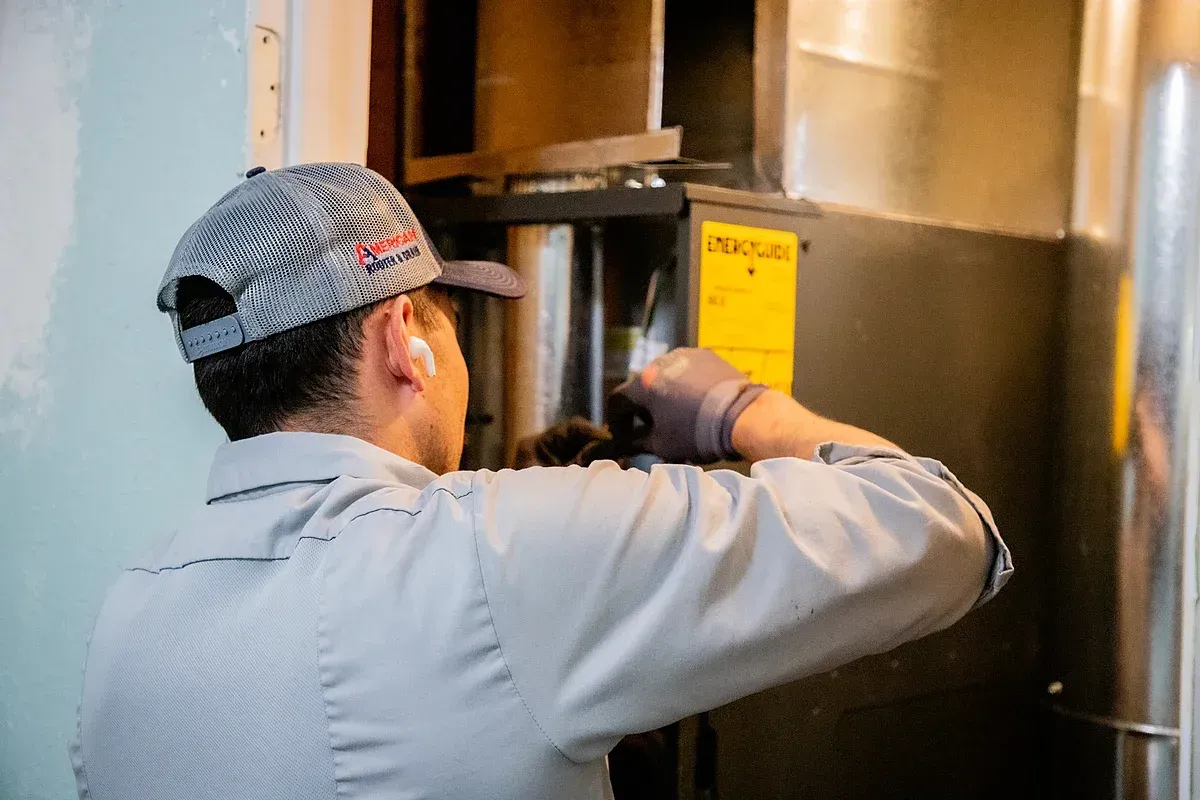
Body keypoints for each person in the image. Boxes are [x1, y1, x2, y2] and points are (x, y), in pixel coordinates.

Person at [71, 163, 1011, 800]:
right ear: (402, 339)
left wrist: (521, 495)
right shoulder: (500, 556)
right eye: (447, 322)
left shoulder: (131, 613)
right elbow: (940, 526)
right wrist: (743, 411)